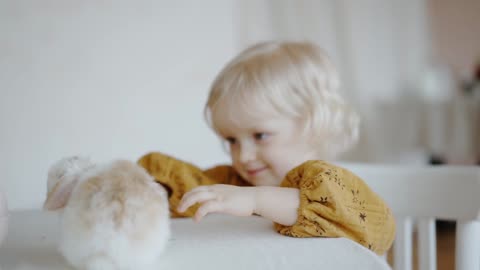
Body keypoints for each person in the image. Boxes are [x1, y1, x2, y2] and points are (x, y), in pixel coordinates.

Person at [138, 41, 395, 255]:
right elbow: (189, 190)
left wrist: (256, 200)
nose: (244, 156)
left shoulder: (334, 189)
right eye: (232, 141)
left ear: (312, 123)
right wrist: (152, 189)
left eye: (260, 135)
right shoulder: (234, 182)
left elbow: (380, 229)